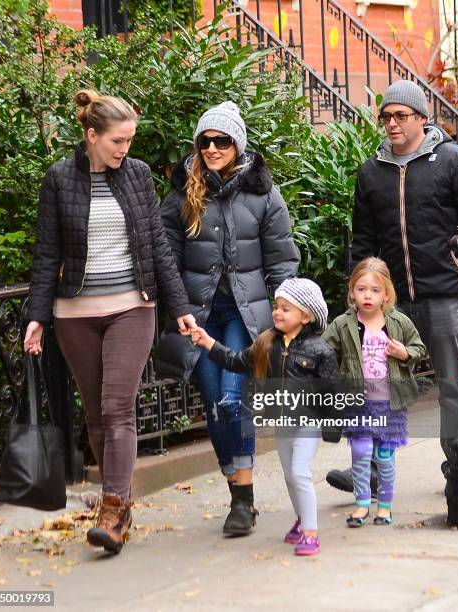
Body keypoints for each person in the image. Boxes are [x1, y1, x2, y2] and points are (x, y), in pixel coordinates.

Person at [24, 89, 195, 554]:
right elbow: (47, 254)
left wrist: (179, 306)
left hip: (130, 306)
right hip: (75, 314)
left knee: (118, 405)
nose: (126, 150)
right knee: (97, 413)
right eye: (118, 141)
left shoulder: (137, 176)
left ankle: (113, 508)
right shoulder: (59, 179)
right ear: (92, 135)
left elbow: (158, 245)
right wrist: (38, 316)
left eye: (130, 141)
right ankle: (119, 505)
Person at [159, 101, 300, 535]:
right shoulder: (183, 193)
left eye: (222, 141)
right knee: (213, 405)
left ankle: (244, 500)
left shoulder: (262, 193)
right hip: (198, 315)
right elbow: (166, 256)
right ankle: (236, 488)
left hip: (244, 312)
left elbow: (282, 257)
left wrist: (289, 310)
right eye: (206, 141)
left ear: (237, 144)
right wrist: (178, 307)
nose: (213, 148)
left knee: (231, 399)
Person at [326, 80, 458, 495]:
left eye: (400, 116)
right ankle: (368, 469)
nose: (391, 123)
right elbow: (366, 239)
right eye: (386, 116)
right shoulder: (372, 172)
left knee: (452, 386)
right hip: (392, 302)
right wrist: (359, 292)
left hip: (445, 294)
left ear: (422, 119)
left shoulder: (453, 162)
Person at [191, 277, 339, 554]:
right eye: (277, 306)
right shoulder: (267, 343)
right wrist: (209, 343)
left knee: (300, 473)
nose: (277, 312)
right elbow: (236, 361)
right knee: (289, 476)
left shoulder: (321, 350)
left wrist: (333, 423)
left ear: (306, 316)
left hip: (308, 421)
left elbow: (332, 390)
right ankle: (300, 522)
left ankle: (311, 532)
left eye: (286, 308)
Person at [324, 258, 425, 525]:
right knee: (360, 451)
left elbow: (419, 348)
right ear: (351, 292)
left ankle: (385, 506)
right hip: (358, 403)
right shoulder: (343, 324)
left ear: (386, 294)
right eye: (361, 289)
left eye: (375, 290)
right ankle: (361, 504)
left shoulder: (398, 322)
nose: (367, 295)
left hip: (389, 403)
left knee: (384, 455)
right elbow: (324, 352)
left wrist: (404, 353)